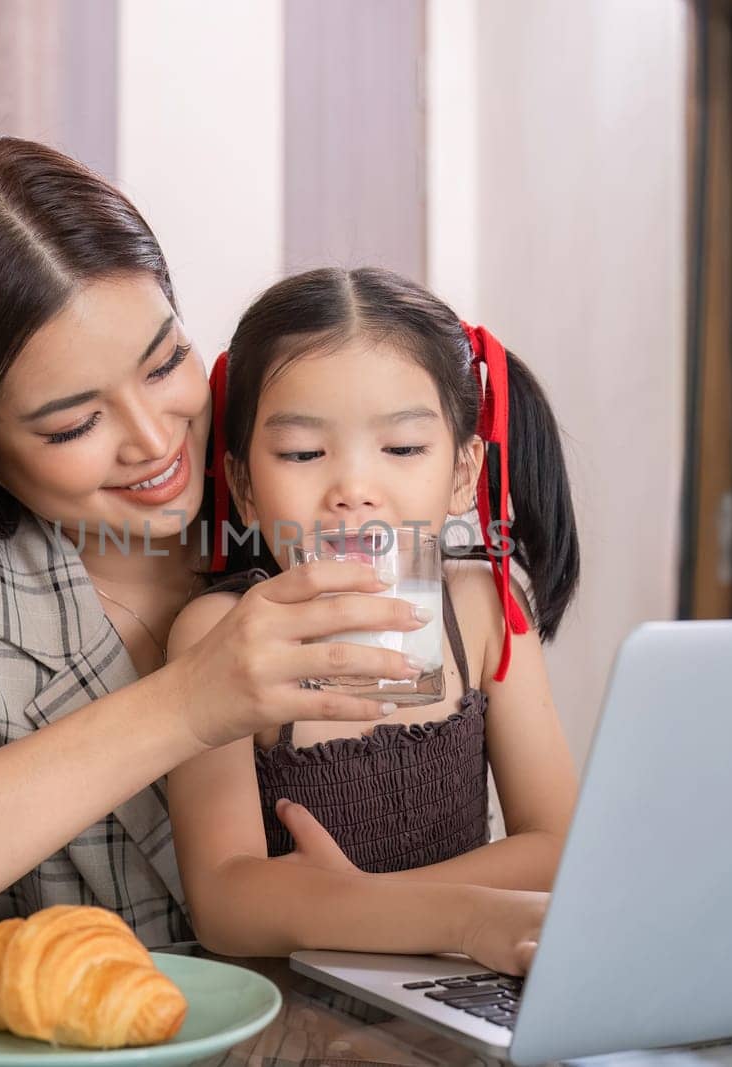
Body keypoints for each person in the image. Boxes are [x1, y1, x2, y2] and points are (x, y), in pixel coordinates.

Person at [0, 139, 433, 983]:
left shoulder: (315, 498)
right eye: (73, 425)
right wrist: (185, 702)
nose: (154, 440)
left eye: (166, 362)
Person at [165, 267, 581, 976]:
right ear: (244, 487)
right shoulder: (219, 634)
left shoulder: (483, 607)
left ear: (462, 472)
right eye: (302, 453)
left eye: (402, 448)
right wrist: (459, 910)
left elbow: (562, 846)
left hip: (469, 982)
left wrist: (356, 903)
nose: (353, 491)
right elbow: (227, 906)